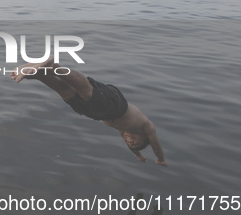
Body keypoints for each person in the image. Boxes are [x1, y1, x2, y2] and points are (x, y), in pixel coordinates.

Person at [11, 57, 167, 166]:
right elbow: (156, 145)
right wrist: (160, 159)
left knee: (67, 93)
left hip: (96, 114)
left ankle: (40, 73)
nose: (130, 141)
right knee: (86, 91)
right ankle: (55, 68)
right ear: (144, 136)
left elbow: (132, 147)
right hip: (116, 104)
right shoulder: (147, 127)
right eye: (135, 141)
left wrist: (138, 155)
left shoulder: (123, 130)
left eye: (129, 143)